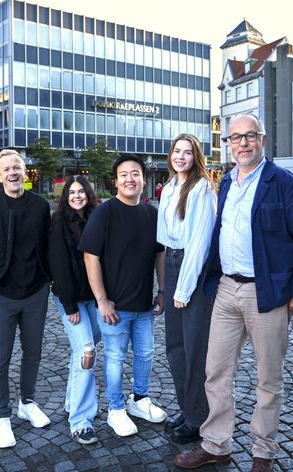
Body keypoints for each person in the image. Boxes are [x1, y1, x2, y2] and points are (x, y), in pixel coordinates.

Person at [174, 114, 293, 471]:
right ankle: (216, 444)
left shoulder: (283, 183)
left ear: (262, 138)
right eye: (235, 138)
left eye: (250, 136)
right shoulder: (226, 182)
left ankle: (263, 453)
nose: (243, 143)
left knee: (268, 380)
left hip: (267, 293)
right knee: (216, 372)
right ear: (228, 143)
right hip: (227, 288)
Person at [0, 149, 51, 449]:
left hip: (35, 292)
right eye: (7, 169)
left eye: (17, 166)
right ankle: (1, 418)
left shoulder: (41, 206)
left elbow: (48, 246)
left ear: (25, 171)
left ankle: (27, 403)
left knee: (33, 352)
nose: (13, 172)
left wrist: (48, 280)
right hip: (1, 294)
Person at [79, 155, 167, 437]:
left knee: (145, 353)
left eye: (136, 174)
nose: (130, 179)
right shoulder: (105, 213)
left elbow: (160, 254)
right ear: (115, 181)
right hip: (115, 306)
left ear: (144, 179)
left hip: (144, 304)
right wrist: (102, 300)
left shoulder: (152, 214)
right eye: (124, 174)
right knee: (115, 356)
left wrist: (162, 290)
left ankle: (139, 400)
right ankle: (116, 409)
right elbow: (90, 256)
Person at [157, 133, 216, 444]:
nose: (181, 157)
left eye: (187, 152)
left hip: (192, 269)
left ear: (196, 157)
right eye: (176, 151)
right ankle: (187, 407)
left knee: (195, 348)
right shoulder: (168, 187)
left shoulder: (202, 188)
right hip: (172, 260)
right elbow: (165, 238)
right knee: (174, 346)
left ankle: (199, 417)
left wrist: (183, 288)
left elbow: (199, 244)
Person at [47, 175, 102, 445]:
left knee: (88, 345)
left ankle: (72, 400)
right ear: (65, 196)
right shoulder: (58, 225)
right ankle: (80, 420)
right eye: (72, 192)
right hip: (71, 299)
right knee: (87, 352)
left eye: (81, 191)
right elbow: (58, 267)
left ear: (88, 194)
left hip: (93, 298)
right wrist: (69, 306)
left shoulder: (96, 218)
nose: (77, 196)